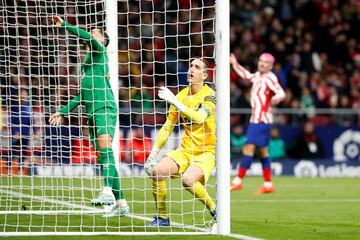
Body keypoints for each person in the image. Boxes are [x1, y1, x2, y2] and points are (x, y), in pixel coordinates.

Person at [48, 15, 129, 217]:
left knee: (106, 151)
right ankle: (122, 204)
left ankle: (107, 192)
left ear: (101, 40)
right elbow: (80, 96)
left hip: (104, 108)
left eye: (94, 33)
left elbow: (88, 37)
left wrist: (65, 25)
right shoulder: (86, 65)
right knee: (103, 157)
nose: (90, 34)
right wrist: (62, 111)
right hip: (92, 112)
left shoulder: (100, 52)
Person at [144, 58, 216, 226]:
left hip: (205, 152)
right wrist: (153, 154)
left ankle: (215, 211)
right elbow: (168, 127)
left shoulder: (209, 96)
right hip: (185, 150)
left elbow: (199, 117)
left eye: (196, 67)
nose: (191, 69)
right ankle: (162, 218)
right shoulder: (181, 96)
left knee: (188, 181)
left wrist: (175, 102)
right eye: (190, 66)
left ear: (204, 75)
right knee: (158, 171)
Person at [230, 53, 286, 194]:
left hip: (261, 120)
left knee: (248, 148)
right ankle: (268, 184)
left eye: (266, 62)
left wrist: (277, 98)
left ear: (271, 66)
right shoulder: (257, 76)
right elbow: (246, 75)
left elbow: (281, 92)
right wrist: (234, 63)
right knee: (263, 152)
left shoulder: (270, 77)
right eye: (260, 60)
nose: (262, 63)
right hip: (258, 120)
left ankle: (237, 181)